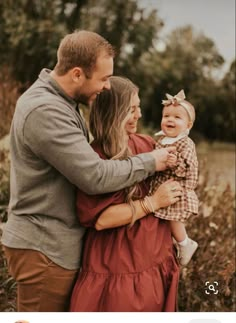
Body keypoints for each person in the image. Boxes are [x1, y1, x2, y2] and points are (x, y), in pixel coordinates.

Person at [1, 30, 176, 312]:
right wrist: (151, 162)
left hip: (53, 245)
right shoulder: (45, 110)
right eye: (104, 79)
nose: (107, 87)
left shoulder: (62, 103)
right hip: (46, 248)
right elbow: (94, 176)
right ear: (77, 74)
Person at [70, 76, 182, 312]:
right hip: (118, 262)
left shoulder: (148, 144)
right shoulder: (95, 157)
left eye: (138, 107)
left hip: (154, 255)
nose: (139, 115)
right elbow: (102, 220)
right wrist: (152, 202)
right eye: (131, 109)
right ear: (114, 112)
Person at [149, 90, 199, 266]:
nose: (170, 120)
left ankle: (186, 243)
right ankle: (174, 245)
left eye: (177, 117)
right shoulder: (162, 139)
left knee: (173, 220)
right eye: (166, 116)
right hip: (162, 189)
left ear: (188, 125)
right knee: (163, 224)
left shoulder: (185, 143)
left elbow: (189, 168)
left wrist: (176, 163)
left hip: (177, 189)